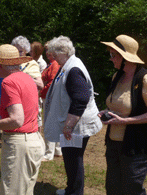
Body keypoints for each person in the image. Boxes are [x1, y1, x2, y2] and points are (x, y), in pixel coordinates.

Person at [0, 44, 45, 195]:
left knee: (12, 191)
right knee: (25, 190)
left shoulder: (8, 82)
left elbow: (17, 120)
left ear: (1, 64)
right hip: (34, 141)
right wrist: (2, 118)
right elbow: (25, 110)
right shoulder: (28, 78)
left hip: (19, 144)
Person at [43, 36, 102, 195]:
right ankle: (72, 189)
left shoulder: (73, 69)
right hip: (74, 123)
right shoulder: (68, 65)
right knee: (70, 159)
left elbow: (81, 99)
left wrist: (68, 126)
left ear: (63, 52)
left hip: (76, 125)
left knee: (74, 160)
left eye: (55, 54)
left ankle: (75, 192)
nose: (53, 58)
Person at [99, 35, 147, 195]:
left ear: (126, 58)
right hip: (113, 143)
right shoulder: (116, 77)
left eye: (114, 55)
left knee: (131, 189)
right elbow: (116, 105)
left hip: (135, 147)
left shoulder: (144, 79)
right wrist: (106, 113)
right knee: (112, 187)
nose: (111, 59)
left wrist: (125, 120)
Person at [11, 36, 44, 131]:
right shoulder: (12, 63)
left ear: (26, 51)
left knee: (32, 127)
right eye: (16, 51)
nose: (18, 54)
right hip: (15, 101)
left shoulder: (31, 63)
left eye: (20, 51)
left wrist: (22, 76)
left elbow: (40, 84)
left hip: (29, 101)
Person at [40, 41, 62, 161]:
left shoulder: (54, 64)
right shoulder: (52, 64)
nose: (48, 52)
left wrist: (41, 91)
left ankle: (49, 153)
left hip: (50, 97)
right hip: (51, 97)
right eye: (46, 50)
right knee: (55, 123)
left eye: (50, 50)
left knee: (49, 124)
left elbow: (52, 82)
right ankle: (57, 150)